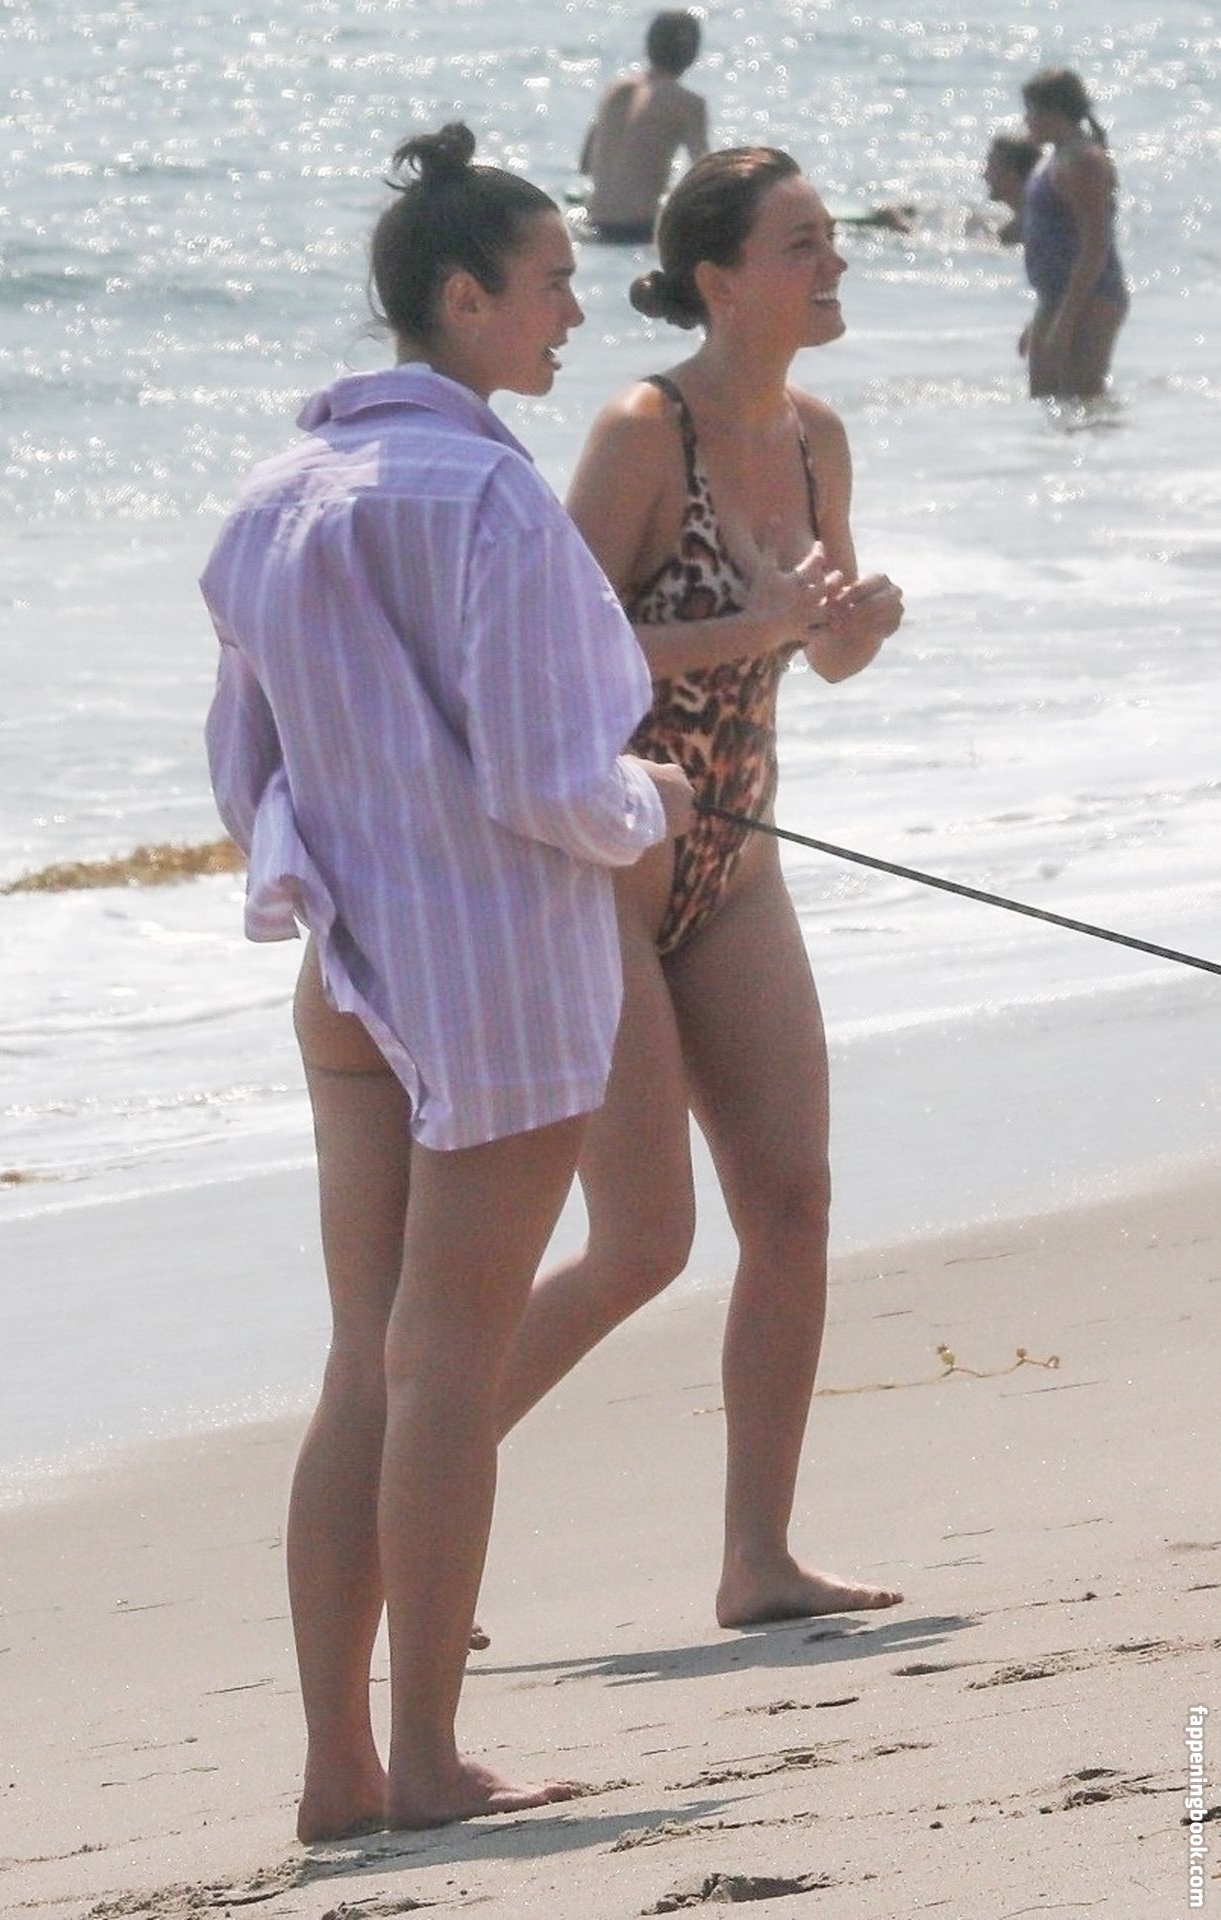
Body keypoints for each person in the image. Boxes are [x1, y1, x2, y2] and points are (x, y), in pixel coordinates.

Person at [201, 122, 692, 1837]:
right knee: (449, 1373)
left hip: (345, 972)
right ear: (463, 299)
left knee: (370, 1366)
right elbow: (551, 780)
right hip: (490, 975)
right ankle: (420, 1757)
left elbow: (242, 772)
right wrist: (653, 801)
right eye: (549, 284)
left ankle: (338, 1765)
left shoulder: (272, 497)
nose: (573, 311)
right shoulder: (484, 495)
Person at [490, 146, 906, 1631]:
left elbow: (818, 650)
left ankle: (757, 1558)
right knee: (640, 1246)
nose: (835, 262)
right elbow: (557, 664)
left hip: (736, 859)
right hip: (604, 867)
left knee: (793, 1203)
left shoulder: (815, 438)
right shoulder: (639, 432)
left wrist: (855, 627)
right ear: (720, 279)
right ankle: (408, 1488)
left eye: (831, 238)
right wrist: (758, 627)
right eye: (804, 244)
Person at [1020, 68, 1128, 399]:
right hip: (1055, 296)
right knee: (1045, 399)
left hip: (1090, 297)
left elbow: (1096, 245)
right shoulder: (1055, 158)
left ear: (1055, 112)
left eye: (1031, 110)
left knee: (1081, 400)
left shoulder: (1084, 161)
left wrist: (1067, 319)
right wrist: (1041, 318)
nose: (1026, 120)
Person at [580, 10, 709, 243]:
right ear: (692, 54)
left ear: (648, 47)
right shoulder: (688, 104)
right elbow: (707, 178)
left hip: (594, 223)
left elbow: (585, 165)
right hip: (638, 230)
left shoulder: (615, 91)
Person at [982, 131, 1041, 246]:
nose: (984, 175)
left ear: (1012, 176)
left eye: (992, 167)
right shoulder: (1043, 215)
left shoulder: (1016, 232)